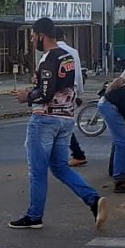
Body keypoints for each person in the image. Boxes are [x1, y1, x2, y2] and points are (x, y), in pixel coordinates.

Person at [9, 17, 107, 230]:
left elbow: (46, 94)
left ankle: (34, 216)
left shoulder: (48, 59)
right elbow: (64, 85)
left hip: (45, 119)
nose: (32, 40)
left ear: (41, 35)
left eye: (33, 36)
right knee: (60, 168)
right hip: (66, 119)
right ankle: (93, 200)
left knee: (37, 171)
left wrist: (27, 95)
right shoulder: (67, 56)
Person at [53, 28, 88, 167]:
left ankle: (77, 153)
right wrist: (80, 94)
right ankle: (76, 153)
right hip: (72, 92)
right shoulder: (73, 52)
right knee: (64, 123)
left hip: (58, 96)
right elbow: (78, 75)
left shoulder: (51, 53)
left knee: (60, 124)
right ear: (64, 36)